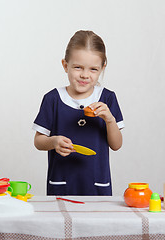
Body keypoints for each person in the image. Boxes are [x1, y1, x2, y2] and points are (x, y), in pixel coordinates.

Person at [33, 30, 124, 196]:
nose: (85, 75)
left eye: (93, 69)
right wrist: (53, 142)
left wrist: (110, 120)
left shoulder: (107, 98)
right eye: (78, 67)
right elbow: (38, 141)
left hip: (97, 186)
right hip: (62, 185)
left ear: (103, 68)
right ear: (65, 65)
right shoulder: (52, 99)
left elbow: (116, 145)